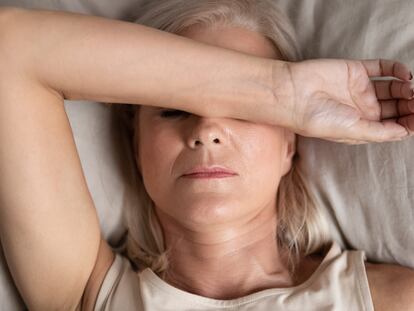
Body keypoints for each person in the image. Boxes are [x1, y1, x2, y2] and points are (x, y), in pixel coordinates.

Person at [0, 1, 413, 311]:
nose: (206, 132)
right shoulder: (89, 293)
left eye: (245, 112)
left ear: (291, 143)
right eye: (173, 108)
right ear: (136, 145)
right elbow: (10, 48)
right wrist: (277, 92)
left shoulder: (388, 300)